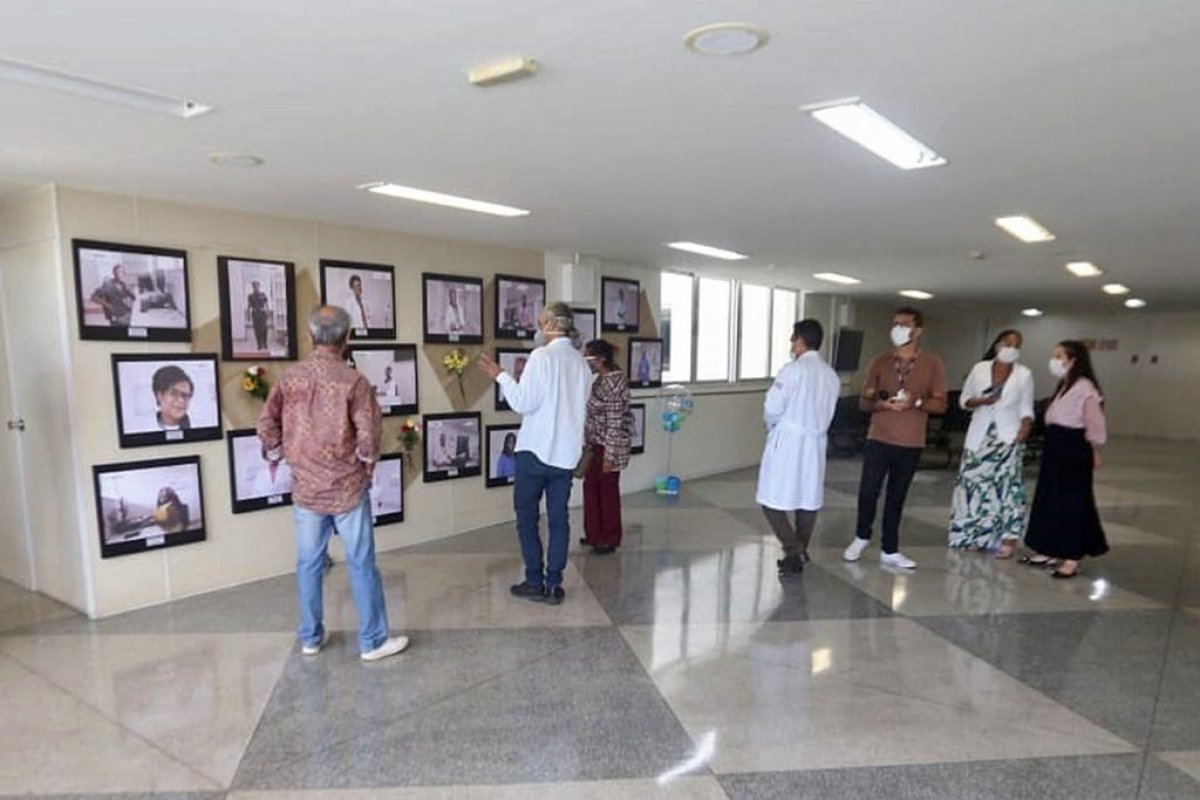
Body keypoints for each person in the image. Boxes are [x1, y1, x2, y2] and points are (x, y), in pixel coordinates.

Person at [257, 305, 408, 662]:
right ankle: (372, 641)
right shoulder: (354, 382)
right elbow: (368, 438)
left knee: (309, 564)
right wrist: (366, 469)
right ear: (347, 338)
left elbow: (266, 425)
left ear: (310, 335)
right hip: (348, 489)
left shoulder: (289, 378)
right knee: (361, 563)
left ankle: (311, 638)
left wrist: (284, 454)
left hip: (306, 490)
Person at [479, 302, 593, 605]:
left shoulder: (541, 357)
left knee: (527, 519)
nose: (538, 328)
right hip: (565, 457)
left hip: (534, 453)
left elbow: (523, 403)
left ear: (551, 324)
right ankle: (554, 584)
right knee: (559, 520)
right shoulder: (581, 363)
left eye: (541, 322)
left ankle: (534, 581)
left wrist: (501, 376)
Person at [843, 307, 947, 570]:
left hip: (910, 441)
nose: (897, 329)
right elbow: (865, 402)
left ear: (918, 331)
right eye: (895, 324)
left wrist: (917, 402)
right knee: (868, 490)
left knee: (896, 496)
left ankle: (890, 548)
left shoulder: (932, 363)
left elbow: (941, 404)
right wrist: (881, 404)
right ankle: (861, 536)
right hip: (879, 437)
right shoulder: (880, 362)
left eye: (904, 324)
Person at [757, 320, 841, 576]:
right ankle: (795, 559)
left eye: (793, 339)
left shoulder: (792, 370)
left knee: (770, 498)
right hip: (816, 443)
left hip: (789, 441)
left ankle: (795, 550)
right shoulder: (831, 375)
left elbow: (772, 407)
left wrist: (772, 426)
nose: (791, 344)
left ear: (801, 341)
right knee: (807, 498)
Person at [1021, 341, 1108, 578]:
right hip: (1055, 446)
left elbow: (1094, 422)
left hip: (1073, 448)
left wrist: (1093, 449)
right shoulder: (1064, 385)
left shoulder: (1085, 387)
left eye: (1059, 356)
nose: (1055, 361)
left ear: (1073, 360)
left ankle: (1071, 556)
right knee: (1049, 498)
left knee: (1071, 502)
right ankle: (1048, 548)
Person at [949, 329, 1035, 558]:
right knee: (972, 486)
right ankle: (972, 534)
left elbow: (1026, 408)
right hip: (979, 437)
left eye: (1016, 345)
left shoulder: (1024, 374)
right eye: (1007, 343)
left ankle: (1008, 538)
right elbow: (964, 400)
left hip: (1008, 437)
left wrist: (1026, 425)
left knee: (1007, 489)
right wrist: (979, 401)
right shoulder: (980, 369)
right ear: (997, 345)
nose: (1011, 348)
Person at [581, 339, 632, 555]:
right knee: (591, 489)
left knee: (607, 493)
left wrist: (609, 456)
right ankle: (593, 533)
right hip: (594, 444)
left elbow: (615, 422)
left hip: (607, 446)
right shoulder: (601, 379)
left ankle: (609, 538)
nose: (586, 361)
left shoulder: (614, 383)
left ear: (601, 359)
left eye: (589, 357)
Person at [152, 365, 193, 430]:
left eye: (185, 395)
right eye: (174, 394)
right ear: (159, 395)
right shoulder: (144, 428)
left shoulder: (200, 427)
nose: (181, 400)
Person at [246, 280, 271, 352]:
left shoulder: (263, 294)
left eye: (257, 286)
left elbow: (267, 304)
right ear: (253, 287)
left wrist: (268, 311)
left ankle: (265, 343)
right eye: (254, 286)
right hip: (255, 314)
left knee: (264, 328)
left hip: (262, 313)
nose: (256, 287)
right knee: (257, 330)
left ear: (259, 286)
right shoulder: (250, 296)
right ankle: (259, 344)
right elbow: (249, 306)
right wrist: (248, 314)